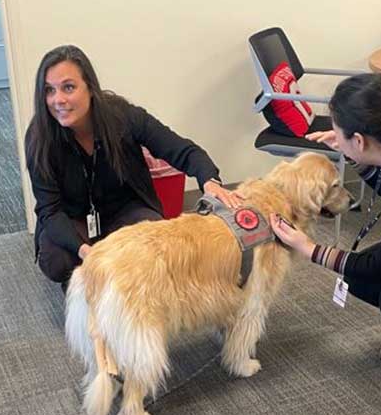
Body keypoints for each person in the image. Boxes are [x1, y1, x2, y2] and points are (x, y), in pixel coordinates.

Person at [270, 73, 381, 387]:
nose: (332, 134)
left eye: (337, 130)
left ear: (361, 140)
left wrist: (309, 248)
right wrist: (352, 154)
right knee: (355, 276)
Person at [25, 44, 242, 288]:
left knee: (158, 244)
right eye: (49, 91)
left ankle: (111, 277)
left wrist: (210, 182)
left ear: (90, 87)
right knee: (57, 260)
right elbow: (50, 211)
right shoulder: (39, 137)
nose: (58, 100)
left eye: (68, 87)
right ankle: (91, 278)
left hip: (124, 210)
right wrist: (85, 251)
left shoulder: (124, 116)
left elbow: (183, 150)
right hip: (72, 219)